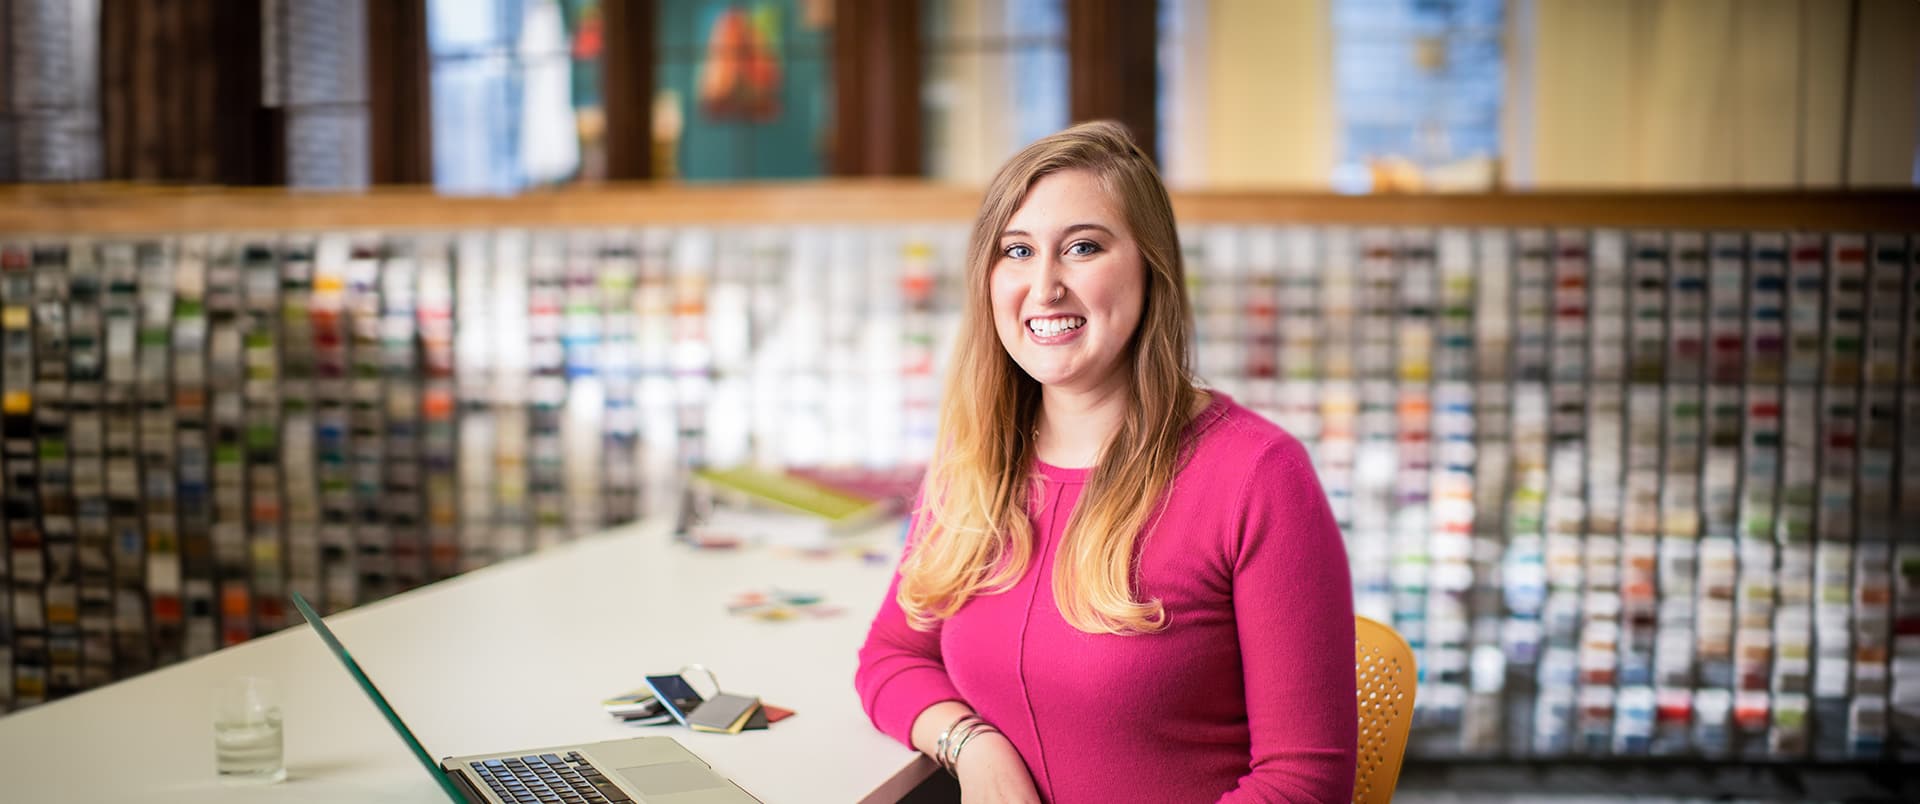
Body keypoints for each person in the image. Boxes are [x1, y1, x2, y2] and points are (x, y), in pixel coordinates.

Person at [854, 120, 1357, 803]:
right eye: (1017, 250)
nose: (1044, 286)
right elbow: (892, 656)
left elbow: (1305, 784)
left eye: (1082, 248)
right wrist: (972, 744)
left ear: (1151, 268)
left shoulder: (1259, 475)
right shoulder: (974, 460)